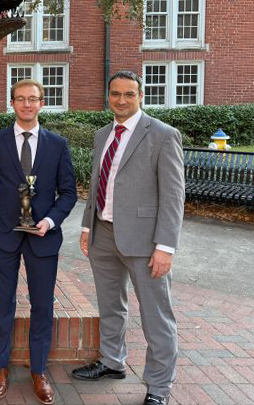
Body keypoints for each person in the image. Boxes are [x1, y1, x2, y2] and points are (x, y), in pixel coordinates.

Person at [71, 71, 184, 405]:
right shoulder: (103, 133)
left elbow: (173, 196)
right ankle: (112, 361)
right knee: (110, 305)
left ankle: (159, 388)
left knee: (156, 314)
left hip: (145, 240)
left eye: (129, 94)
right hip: (103, 235)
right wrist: (88, 226)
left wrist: (165, 247)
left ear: (141, 96)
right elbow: (98, 183)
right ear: (108, 95)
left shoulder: (163, 135)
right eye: (115, 94)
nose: (121, 100)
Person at [0, 79, 77, 404]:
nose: (26, 104)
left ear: (42, 103)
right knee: (2, 304)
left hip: (43, 238)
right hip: (3, 235)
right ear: (12, 103)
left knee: (42, 306)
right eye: (20, 99)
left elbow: (68, 193)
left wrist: (49, 221)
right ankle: (1, 367)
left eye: (32, 99)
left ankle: (38, 370)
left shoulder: (57, 144)